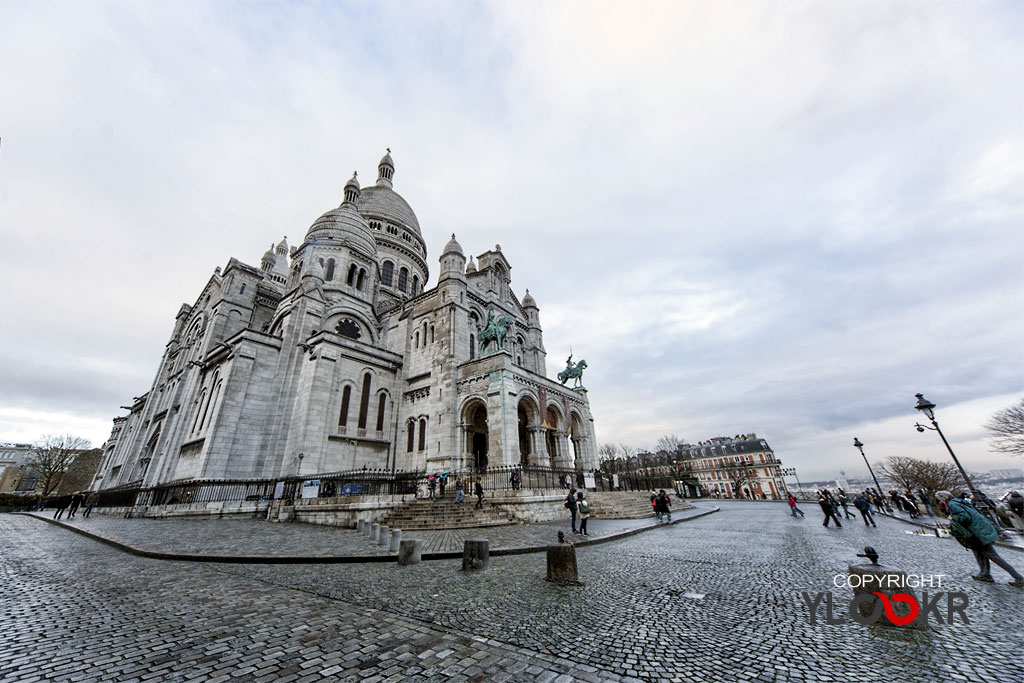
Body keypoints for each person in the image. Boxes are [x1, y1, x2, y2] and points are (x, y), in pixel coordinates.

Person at [937, 490, 1023, 586]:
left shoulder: (952, 504)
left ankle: (1019, 578)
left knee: (993, 556)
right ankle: (984, 574)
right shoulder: (959, 502)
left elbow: (964, 517)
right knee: (978, 553)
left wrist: (953, 518)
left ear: (943, 498)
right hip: (979, 530)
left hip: (977, 532)